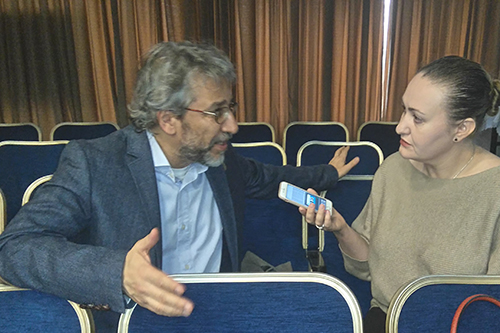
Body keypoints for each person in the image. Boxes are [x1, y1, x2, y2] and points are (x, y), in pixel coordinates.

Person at [0, 41, 358, 332]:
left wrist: (328, 173)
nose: (232, 125)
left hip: (221, 320)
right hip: (134, 324)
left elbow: (274, 178)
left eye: (230, 107)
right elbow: (15, 248)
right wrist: (117, 272)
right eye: (217, 112)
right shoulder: (95, 163)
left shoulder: (225, 163)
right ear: (168, 119)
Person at [300, 56, 500, 333]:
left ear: (462, 129)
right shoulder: (394, 168)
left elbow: (492, 307)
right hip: (385, 320)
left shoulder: (494, 189)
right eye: (404, 110)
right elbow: (368, 266)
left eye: (417, 118)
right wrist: (341, 228)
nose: (400, 127)